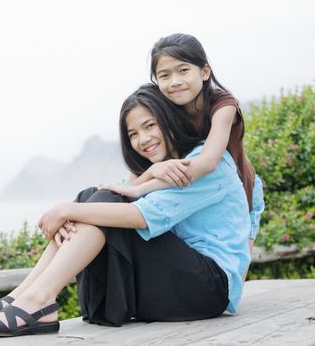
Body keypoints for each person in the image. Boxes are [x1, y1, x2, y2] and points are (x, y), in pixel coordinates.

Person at [0, 84, 251, 336]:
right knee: (93, 197)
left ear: (169, 119)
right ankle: (21, 296)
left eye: (150, 126)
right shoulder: (156, 172)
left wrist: (66, 210)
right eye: (133, 133)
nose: (143, 140)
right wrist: (76, 208)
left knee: (98, 202)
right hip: (174, 281)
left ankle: (39, 300)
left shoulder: (203, 165)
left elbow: (142, 217)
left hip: (209, 289)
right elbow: (111, 204)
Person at [105, 33, 264, 250]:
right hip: (202, 189)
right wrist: (128, 186)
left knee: (235, 270)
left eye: (183, 71)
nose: (175, 82)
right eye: (164, 75)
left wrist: (141, 187)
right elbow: (144, 164)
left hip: (241, 188)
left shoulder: (223, 106)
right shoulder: (169, 108)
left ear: (205, 72)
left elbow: (206, 163)